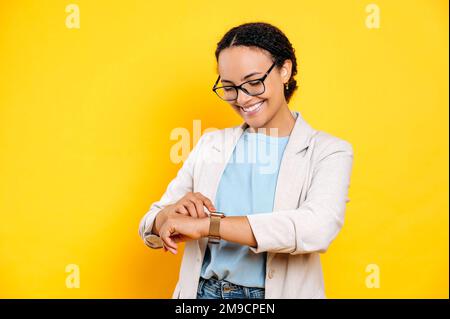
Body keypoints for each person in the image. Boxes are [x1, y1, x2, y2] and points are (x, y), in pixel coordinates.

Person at [138, 22, 354, 299]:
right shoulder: (211, 144)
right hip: (203, 293)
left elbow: (315, 229)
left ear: (284, 70)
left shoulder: (329, 151)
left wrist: (208, 225)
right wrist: (167, 215)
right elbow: (150, 224)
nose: (242, 98)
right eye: (229, 87)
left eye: (253, 82)